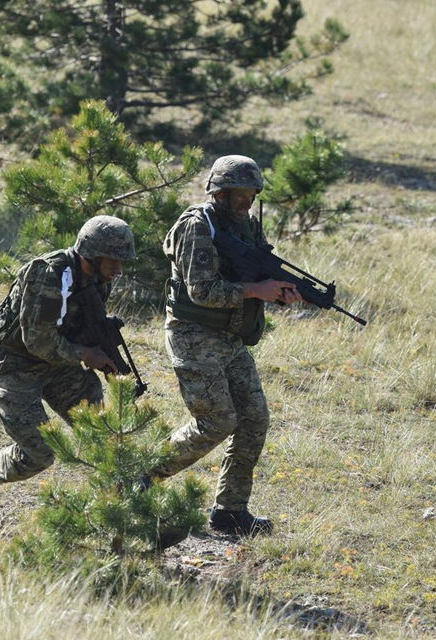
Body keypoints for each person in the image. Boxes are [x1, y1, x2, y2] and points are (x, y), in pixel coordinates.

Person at [149, 155, 299, 536]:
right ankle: (139, 477)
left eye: (251, 194)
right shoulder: (197, 227)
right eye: (239, 194)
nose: (246, 202)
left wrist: (281, 292)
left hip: (230, 339)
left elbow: (261, 273)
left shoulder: (247, 228)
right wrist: (255, 290)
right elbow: (201, 291)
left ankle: (230, 510)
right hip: (194, 336)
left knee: (254, 418)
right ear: (219, 192)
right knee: (216, 421)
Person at [0, 216, 136, 522]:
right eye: (114, 260)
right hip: (15, 366)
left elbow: (83, 326)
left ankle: (118, 514)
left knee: (100, 432)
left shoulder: (99, 282)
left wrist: (106, 356)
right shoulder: (48, 274)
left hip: (60, 366)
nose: (119, 269)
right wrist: (86, 355)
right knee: (39, 455)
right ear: (92, 254)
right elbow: (37, 341)